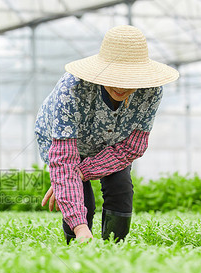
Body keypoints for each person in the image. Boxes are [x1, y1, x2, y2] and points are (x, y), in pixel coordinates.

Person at [34, 25, 179, 244]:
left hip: (113, 144)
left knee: (120, 187)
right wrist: (79, 221)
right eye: (115, 77)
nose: (121, 87)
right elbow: (64, 159)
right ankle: (78, 245)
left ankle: (115, 248)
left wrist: (80, 172)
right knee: (84, 200)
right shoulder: (72, 88)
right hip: (67, 141)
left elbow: (133, 146)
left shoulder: (152, 91)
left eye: (130, 79)